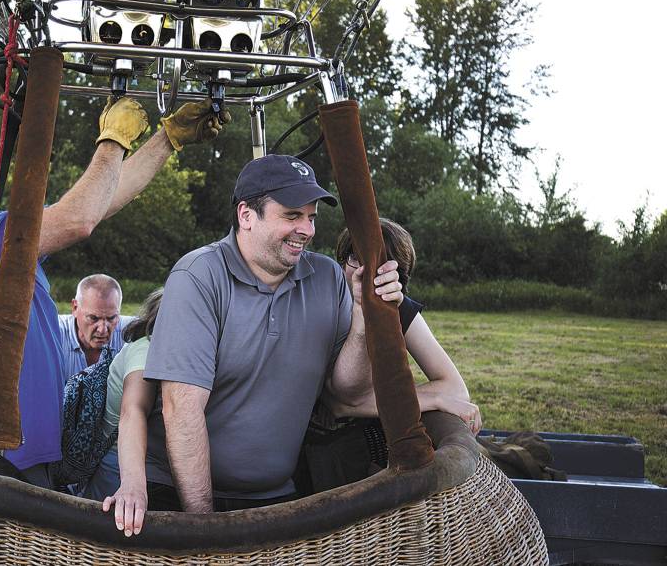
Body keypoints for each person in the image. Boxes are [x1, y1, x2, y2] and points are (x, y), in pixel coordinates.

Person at [0, 97, 227, 487]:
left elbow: (97, 203)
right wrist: (112, 139)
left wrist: (168, 138)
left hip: (11, 456)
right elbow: (79, 220)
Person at [141, 154, 405, 513]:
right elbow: (181, 409)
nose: (308, 230)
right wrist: (203, 527)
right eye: (292, 215)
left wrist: (363, 317)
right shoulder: (199, 277)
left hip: (275, 494)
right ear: (246, 215)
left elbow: (347, 392)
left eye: (311, 217)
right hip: (180, 490)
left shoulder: (327, 278)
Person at [333, 218, 481, 432]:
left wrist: (436, 399)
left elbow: (456, 390)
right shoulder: (325, 302)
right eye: (356, 257)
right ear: (342, 261)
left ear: (398, 275)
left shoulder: (396, 304)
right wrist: (432, 399)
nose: (365, 271)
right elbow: (338, 402)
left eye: (382, 263)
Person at [80, 288, 163, 537]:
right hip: (118, 464)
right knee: (106, 535)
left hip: (138, 461)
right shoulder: (145, 351)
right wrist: (133, 486)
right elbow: (133, 409)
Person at [56, 274, 135, 386]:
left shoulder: (131, 332)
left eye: (111, 318)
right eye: (93, 318)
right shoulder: (53, 334)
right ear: (75, 308)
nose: (102, 329)